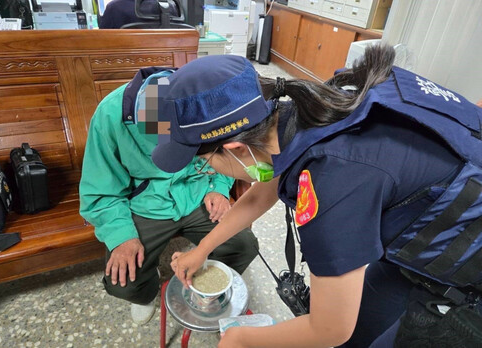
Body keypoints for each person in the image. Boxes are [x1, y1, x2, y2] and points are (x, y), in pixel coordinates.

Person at [151, 49, 482, 347]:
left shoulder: (332, 183)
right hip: (419, 239)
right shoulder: (305, 111)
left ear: (235, 149)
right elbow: (260, 196)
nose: (207, 169)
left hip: (467, 274)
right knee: (361, 323)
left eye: (205, 161)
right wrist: (204, 249)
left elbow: (329, 329)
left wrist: (241, 339)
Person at [79, 66, 258, 325]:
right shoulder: (109, 115)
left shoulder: (201, 100)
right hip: (145, 203)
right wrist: (121, 236)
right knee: (124, 283)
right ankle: (146, 294)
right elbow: (99, 189)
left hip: (198, 192)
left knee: (244, 245)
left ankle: (203, 279)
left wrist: (218, 187)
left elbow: (225, 152)